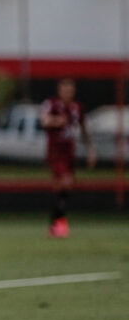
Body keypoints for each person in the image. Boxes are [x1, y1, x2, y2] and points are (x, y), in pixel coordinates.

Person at [40, 78, 95, 237]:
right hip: (56, 152)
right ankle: (60, 224)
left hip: (69, 152)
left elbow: (84, 129)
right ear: (59, 90)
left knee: (63, 188)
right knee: (64, 183)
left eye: (70, 89)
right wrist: (58, 120)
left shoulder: (77, 107)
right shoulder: (52, 104)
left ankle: (55, 223)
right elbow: (44, 120)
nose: (67, 92)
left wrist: (91, 150)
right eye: (64, 89)